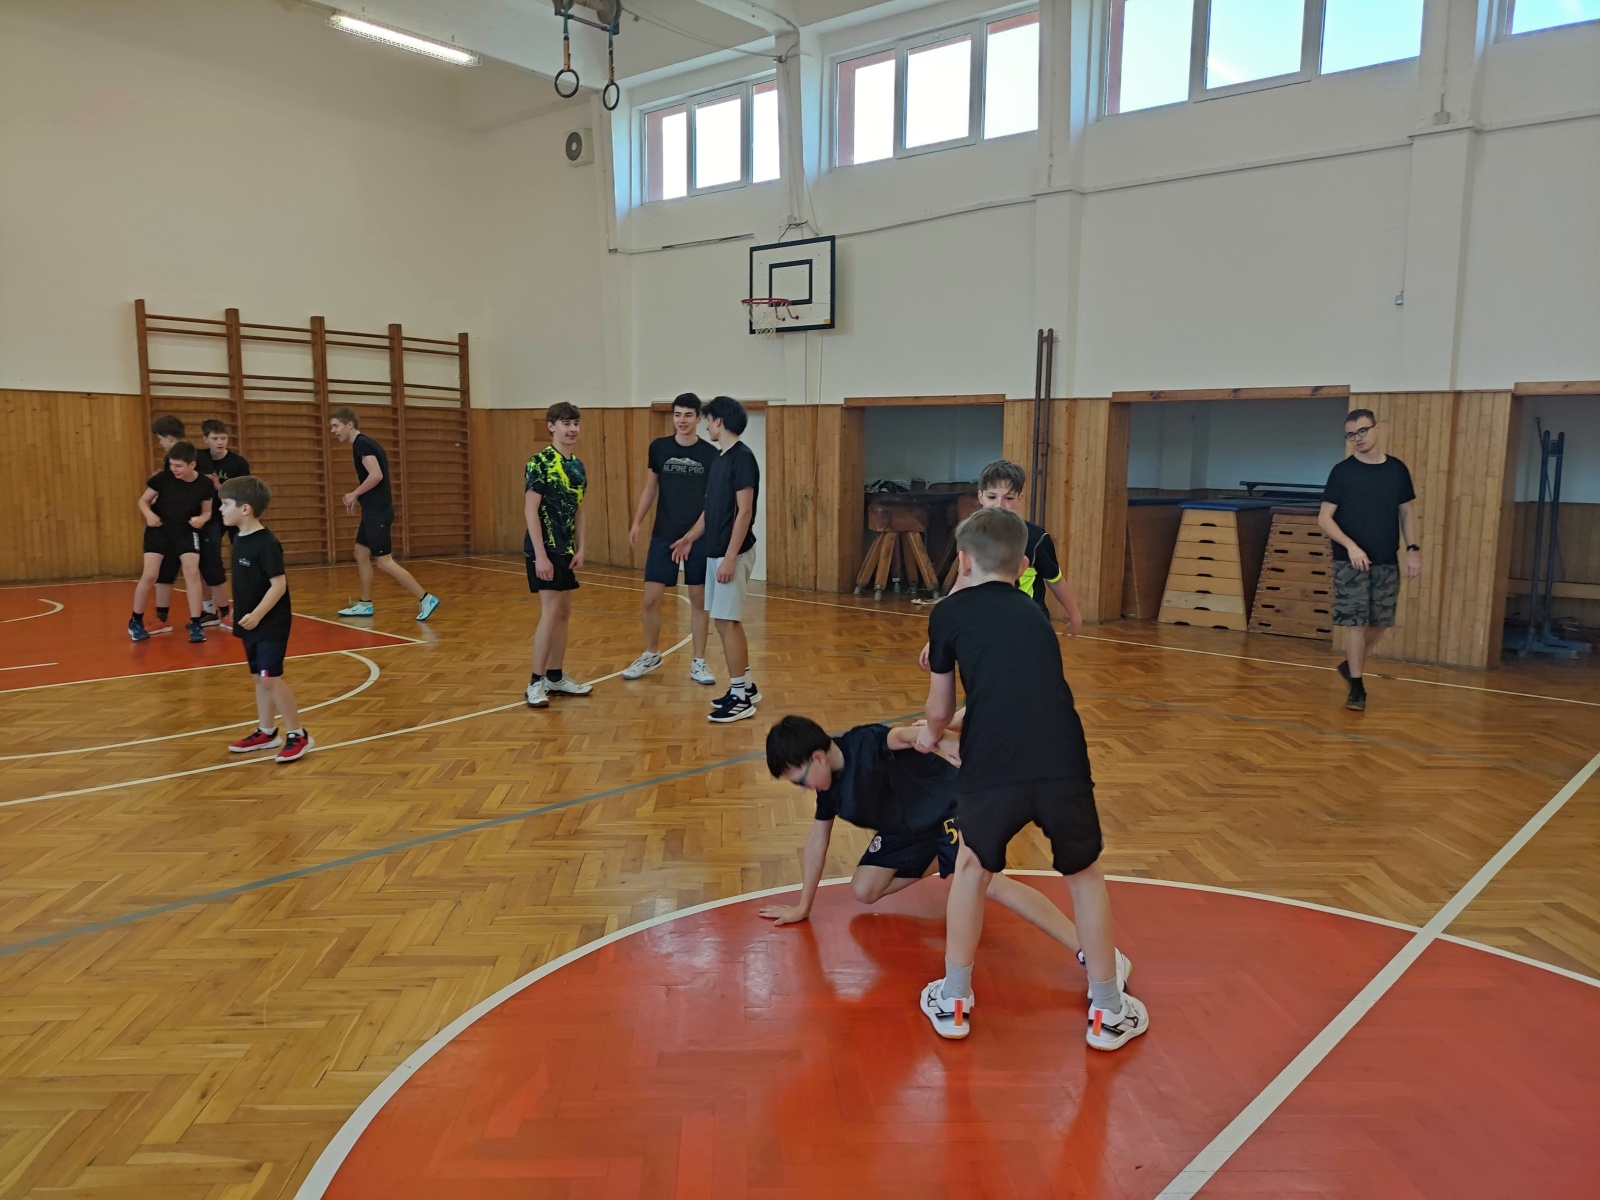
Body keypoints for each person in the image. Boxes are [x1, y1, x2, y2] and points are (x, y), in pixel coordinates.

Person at [915, 507, 1147, 1048]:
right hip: (1061, 759)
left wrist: (931, 734)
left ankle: (953, 1001)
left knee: (971, 868)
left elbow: (940, 708)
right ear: (1023, 566)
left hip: (993, 764)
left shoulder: (948, 614)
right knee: (1084, 875)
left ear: (963, 562)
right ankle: (1109, 1010)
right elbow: (1020, 692)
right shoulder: (1033, 613)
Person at [761, 715, 1133, 1000]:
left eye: (799, 780)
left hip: (950, 809)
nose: (802, 788)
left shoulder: (865, 742)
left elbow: (903, 735)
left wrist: (939, 740)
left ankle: (1096, 955)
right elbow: (818, 840)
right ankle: (945, 862)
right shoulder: (828, 790)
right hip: (906, 829)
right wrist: (803, 905)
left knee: (992, 885)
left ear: (818, 757)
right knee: (864, 889)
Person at [1318, 410, 1421, 713]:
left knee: (1380, 622)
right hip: (1349, 562)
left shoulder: (1397, 470)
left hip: (1386, 558)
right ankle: (1357, 687)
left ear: (1377, 429)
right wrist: (1351, 547)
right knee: (1355, 623)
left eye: (1362, 431)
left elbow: (1406, 512)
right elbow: (1324, 518)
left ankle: (1350, 664)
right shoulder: (1342, 472)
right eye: (1351, 435)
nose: (1358, 439)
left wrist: (1413, 549)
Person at [670, 396, 760, 723]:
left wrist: (730, 558)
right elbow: (712, 510)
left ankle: (740, 698)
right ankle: (745, 687)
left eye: (708, 420)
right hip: (715, 551)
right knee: (724, 620)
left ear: (719, 421)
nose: (706, 425)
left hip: (731, 553)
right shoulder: (721, 458)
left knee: (726, 621)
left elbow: (744, 512)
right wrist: (690, 537)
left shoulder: (743, 458)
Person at [622, 393, 719, 686]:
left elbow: (712, 501)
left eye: (688, 415)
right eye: (677, 414)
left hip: (698, 537)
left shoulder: (711, 454)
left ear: (699, 418)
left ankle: (699, 661)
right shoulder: (659, 448)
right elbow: (650, 488)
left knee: (698, 599)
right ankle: (651, 653)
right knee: (651, 599)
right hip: (664, 533)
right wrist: (637, 522)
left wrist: (693, 535)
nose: (682, 420)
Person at [218, 476, 311, 763]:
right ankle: (267, 732)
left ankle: (298, 734)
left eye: (225, 504)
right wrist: (239, 608)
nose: (221, 509)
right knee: (259, 678)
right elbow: (247, 583)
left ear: (245, 509)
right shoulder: (238, 539)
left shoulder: (267, 543)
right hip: (249, 622)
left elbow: (278, 585)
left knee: (271, 679)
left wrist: (258, 614)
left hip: (270, 623)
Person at [329, 407, 440, 622]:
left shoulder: (362, 443)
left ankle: (426, 598)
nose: (333, 431)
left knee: (384, 562)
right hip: (372, 510)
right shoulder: (362, 443)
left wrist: (354, 494)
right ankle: (365, 604)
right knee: (361, 552)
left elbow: (376, 475)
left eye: (336, 426)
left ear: (349, 425)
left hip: (378, 512)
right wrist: (360, 497)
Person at [523, 402, 594, 708]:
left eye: (575, 423)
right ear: (551, 426)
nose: (572, 429)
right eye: (566, 423)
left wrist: (581, 547)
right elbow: (530, 510)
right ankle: (535, 682)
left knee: (563, 613)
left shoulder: (577, 467)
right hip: (545, 549)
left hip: (565, 550)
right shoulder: (539, 463)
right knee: (550, 612)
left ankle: (555, 676)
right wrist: (540, 555)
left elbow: (579, 509)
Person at [130, 441, 212, 645]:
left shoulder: (204, 484)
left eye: (178, 466)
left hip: (186, 531)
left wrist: (202, 519)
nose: (173, 469)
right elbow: (143, 501)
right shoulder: (163, 478)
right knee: (150, 574)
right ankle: (135, 620)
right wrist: (149, 515)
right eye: (172, 465)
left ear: (192, 465)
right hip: (159, 529)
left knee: (192, 571)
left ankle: (196, 623)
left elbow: (207, 511)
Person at [197, 419, 250, 630]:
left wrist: (220, 487)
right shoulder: (199, 459)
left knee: (242, 561)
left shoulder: (238, 463)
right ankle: (209, 610)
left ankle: (242, 606)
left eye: (223, 438)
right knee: (207, 561)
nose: (220, 442)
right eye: (215, 438)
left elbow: (245, 493)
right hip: (211, 516)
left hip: (235, 515)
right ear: (206, 439)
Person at [146, 414, 187, 632]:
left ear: (169, 437)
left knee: (197, 571)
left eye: (160, 439)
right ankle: (162, 618)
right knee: (167, 570)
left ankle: (205, 615)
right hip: (173, 523)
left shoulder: (181, 456)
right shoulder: (174, 459)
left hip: (182, 524)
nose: (160, 443)